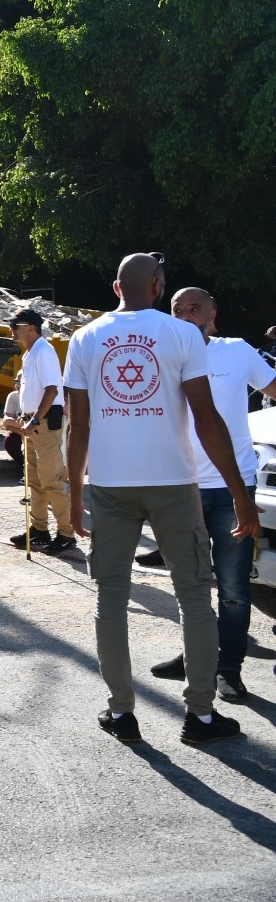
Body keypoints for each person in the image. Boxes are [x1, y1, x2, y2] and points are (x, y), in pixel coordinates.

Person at [64, 253, 259, 746]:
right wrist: (240, 493)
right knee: (193, 595)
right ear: (157, 285)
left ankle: (121, 712)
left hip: (109, 485)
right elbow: (206, 417)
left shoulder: (86, 338)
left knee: (110, 596)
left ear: (115, 288)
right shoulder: (183, 335)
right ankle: (200, 716)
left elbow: (77, 426)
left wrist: (73, 493)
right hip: (174, 483)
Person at [147, 287, 276, 702]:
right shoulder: (162, 357)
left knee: (235, 587)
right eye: (177, 309)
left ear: (213, 314)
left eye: (194, 308)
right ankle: (194, 657)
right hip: (180, 487)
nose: (185, 315)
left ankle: (228, 670)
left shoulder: (237, 351)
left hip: (232, 487)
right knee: (190, 583)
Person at [7, 308, 76, 553]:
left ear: (32, 328)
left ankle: (66, 533)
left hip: (44, 423)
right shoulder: (30, 353)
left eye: (16, 325)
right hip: (34, 422)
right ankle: (40, 529)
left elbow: (52, 390)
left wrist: (34, 420)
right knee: (34, 481)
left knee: (52, 482)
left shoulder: (44, 352)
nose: (12, 330)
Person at [1, 376, 25, 466]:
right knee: (10, 441)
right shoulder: (13, 396)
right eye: (16, 382)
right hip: (22, 433)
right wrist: (21, 431)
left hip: (40, 433)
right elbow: (6, 422)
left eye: (21, 382)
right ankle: (23, 469)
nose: (18, 385)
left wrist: (19, 425)